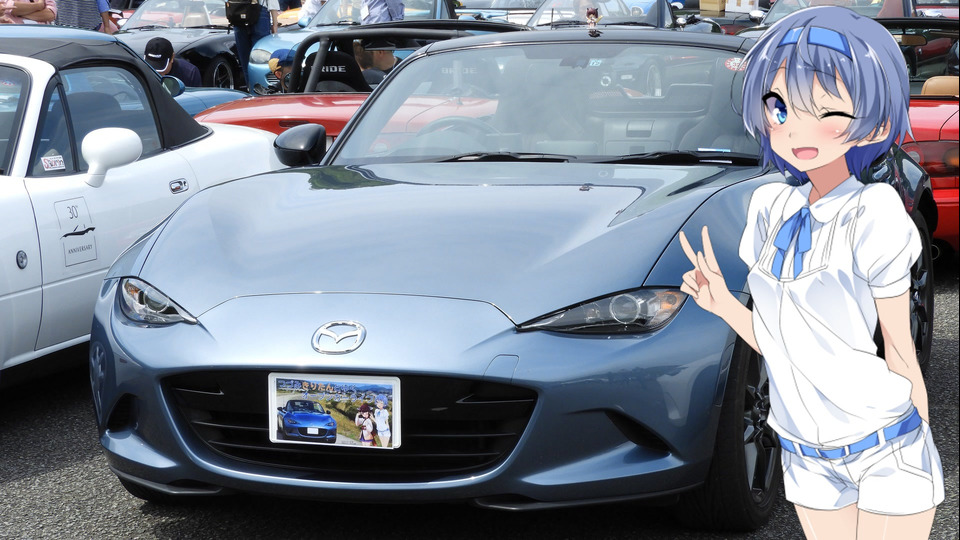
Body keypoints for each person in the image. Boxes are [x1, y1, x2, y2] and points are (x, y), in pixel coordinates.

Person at [679, 6, 944, 539]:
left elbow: (898, 346)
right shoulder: (770, 207)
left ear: (877, 124)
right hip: (805, 457)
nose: (796, 127)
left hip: (885, 446)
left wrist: (924, 433)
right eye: (780, 107)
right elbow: (782, 342)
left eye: (826, 110)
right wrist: (723, 305)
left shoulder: (874, 211)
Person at [233, 0, 280, 86]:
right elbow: (272, 3)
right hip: (259, 12)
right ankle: (263, 88)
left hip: (238, 11)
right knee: (261, 57)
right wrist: (275, 24)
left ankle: (250, 87)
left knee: (245, 59)